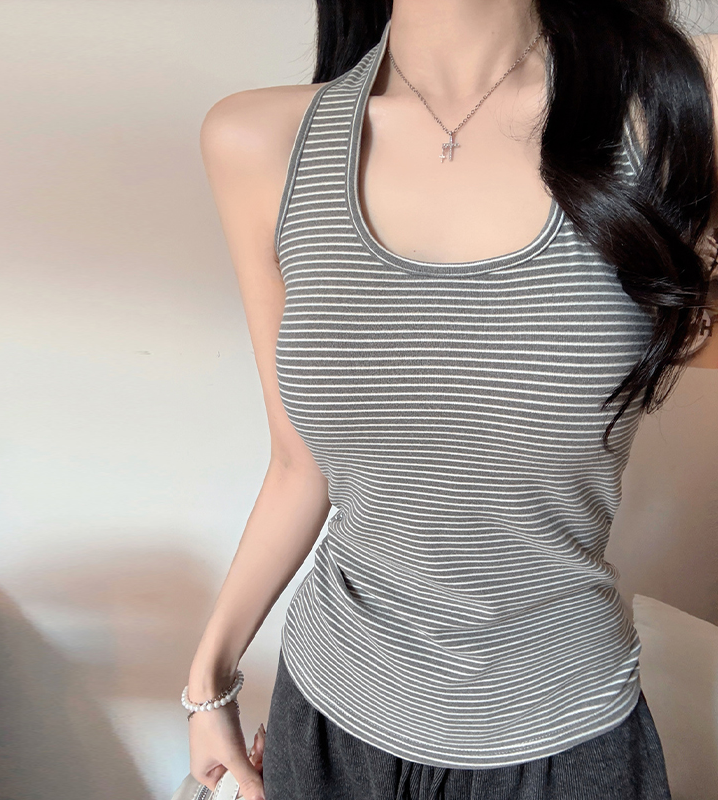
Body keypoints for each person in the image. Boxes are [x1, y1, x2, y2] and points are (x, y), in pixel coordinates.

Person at [188, 1, 718, 798]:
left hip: (564, 732)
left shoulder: (683, 99)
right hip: (331, 718)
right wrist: (209, 681)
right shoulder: (259, 141)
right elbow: (299, 465)